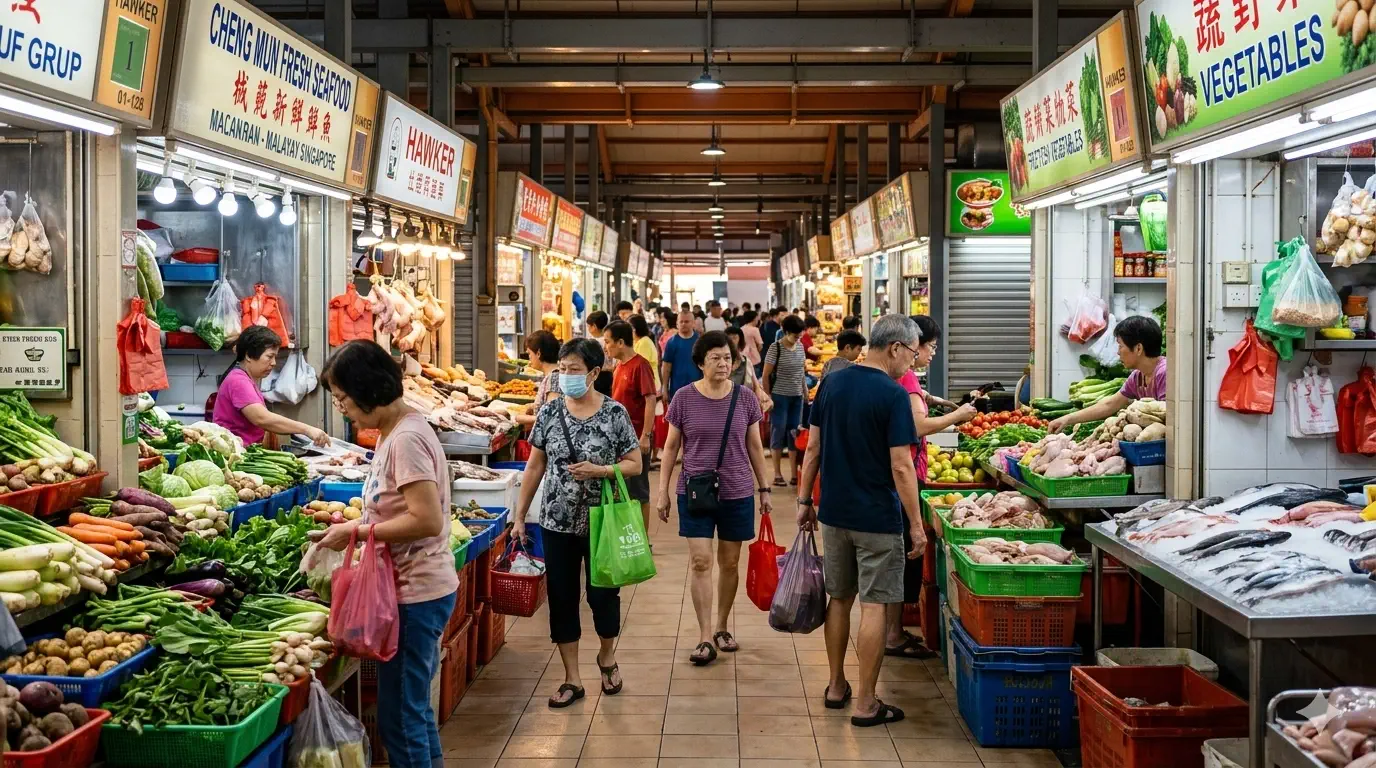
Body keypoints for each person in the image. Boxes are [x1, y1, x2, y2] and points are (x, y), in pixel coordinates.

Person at [315, 340, 456, 767]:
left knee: (399, 717)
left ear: (369, 389)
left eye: (343, 398)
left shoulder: (407, 439)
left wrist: (359, 532)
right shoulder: (394, 431)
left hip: (418, 593)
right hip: (412, 588)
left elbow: (428, 520)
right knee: (412, 712)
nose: (342, 408)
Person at [796, 314, 926, 728]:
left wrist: (804, 500)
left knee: (839, 598)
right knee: (873, 606)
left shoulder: (832, 382)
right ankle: (867, 703)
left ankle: (836, 685)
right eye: (911, 353)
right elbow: (902, 467)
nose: (913, 362)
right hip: (877, 518)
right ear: (894, 348)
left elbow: (812, 448)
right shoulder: (892, 395)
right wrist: (917, 525)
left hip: (834, 513)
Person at [513, 338, 642, 708]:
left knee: (603, 597)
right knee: (562, 598)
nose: (566, 376)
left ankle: (607, 656)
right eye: (562, 370)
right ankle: (572, 678)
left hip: (603, 523)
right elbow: (535, 465)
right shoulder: (550, 415)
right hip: (556, 521)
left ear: (594, 373)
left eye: (574, 370)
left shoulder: (614, 414)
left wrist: (602, 470)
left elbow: (634, 462)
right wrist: (521, 516)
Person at [656, 331, 771, 665]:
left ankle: (722, 625)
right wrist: (662, 490)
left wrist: (764, 489)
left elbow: (754, 447)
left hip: (737, 491)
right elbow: (672, 447)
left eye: (727, 357)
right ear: (699, 363)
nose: (723, 364)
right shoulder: (683, 398)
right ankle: (705, 636)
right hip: (695, 490)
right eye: (715, 358)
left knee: (730, 562)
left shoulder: (746, 398)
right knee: (702, 561)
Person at [888, 316, 976, 658]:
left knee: (901, 556)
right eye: (932, 348)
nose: (933, 355)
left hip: (907, 472)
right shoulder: (906, 375)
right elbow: (917, 425)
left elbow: (918, 396)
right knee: (907, 554)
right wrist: (958, 416)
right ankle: (893, 635)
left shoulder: (906, 377)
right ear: (913, 345)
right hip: (907, 473)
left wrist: (937, 400)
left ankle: (893, 632)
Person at [211, 325, 329, 447]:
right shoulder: (238, 381)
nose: (273, 363)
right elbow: (261, 418)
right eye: (269, 356)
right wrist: (307, 429)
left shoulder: (246, 378)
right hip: (235, 455)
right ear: (248, 356)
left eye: (275, 357)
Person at [1048, 315, 1166, 433]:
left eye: (1121, 346)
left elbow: (1168, 418)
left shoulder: (1164, 373)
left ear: (1138, 349)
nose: (1118, 352)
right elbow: (1110, 404)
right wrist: (1067, 419)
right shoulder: (1137, 376)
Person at [604, 320, 658, 533]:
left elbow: (650, 400)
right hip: (619, 438)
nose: (606, 347)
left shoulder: (640, 365)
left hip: (636, 437)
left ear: (620, 342)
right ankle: (627, 533)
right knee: (623, 488)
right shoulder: (619, 366)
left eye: (608, 342)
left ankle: (643, 540)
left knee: (639, 490)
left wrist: (645, 435)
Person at [762, 314, 808, 486]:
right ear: (785, 332)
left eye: (800, 334)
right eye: (795, 335)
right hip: (779, 397)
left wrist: (804, 391)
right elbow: (766, 375)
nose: (798, 338)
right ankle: (777, 474)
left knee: (794, 433)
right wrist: (768, 397)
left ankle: (794, 474)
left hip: (797, 397)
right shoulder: (776, 348)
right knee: (778, 432)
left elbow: (801, 372)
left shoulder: (801, 347)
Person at [515, 330, 562, 428]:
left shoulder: (554, 378)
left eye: (529, 354)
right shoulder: (552, 375)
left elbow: (551, 417)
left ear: (538, 353)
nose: (529, 359)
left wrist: (519, 418)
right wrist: (534, 406)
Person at [725, 326, 772, 409]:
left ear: (740, 340)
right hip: (724, 404)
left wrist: (765, 398)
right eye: (729, 338)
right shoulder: (720, 362)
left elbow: (756, 385)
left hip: (743, 405)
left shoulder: (746, 361)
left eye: (734, 338)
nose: (731, 341)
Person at [661, 310, 702, 404]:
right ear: (677, 323)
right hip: (676, 390)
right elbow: (666, 367)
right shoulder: (671, 342)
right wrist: (664, 388)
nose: (683, 324)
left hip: (698, 390)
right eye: (681, 321)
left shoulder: (700, 341)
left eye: (687, 321)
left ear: (693, 323)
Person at [585, 311, 615, 396]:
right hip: (609, 375)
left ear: (594, 326)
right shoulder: (610, 340)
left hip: (598, 376)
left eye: (588, 326)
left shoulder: (593, 342)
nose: (587, 328)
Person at [630, 314, 662, 390]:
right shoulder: (637, 341)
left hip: (649, 386)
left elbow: (640, 368)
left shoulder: (644, 343)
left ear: (634, 329)